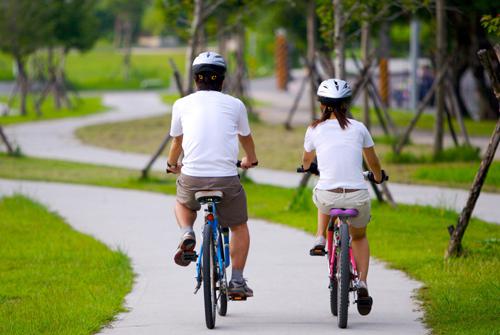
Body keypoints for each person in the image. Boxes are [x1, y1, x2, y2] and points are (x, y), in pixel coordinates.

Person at [166, 51, 258, 299]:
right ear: (222, 80)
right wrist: (250, 159)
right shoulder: (235, 104)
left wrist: (172, 163)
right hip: (226, 179)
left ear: (195, 78)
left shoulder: (182, 104)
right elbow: (245, 137)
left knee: (182, 200)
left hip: (192, 177)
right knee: (238, 225)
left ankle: (187, 232)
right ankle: (237, 280)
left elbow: (178, 141)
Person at [301, 78, 385, 315]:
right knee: (359, 237)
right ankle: (363, 283)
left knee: (323, 193)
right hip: (357, 197)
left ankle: (319, 237)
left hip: (328, 197)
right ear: (346, 104)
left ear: (321, 105)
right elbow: (373, 162)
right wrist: (378, 177)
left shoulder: (314, 129)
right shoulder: (359, 128)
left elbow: (306, 162)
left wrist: (309, 167)